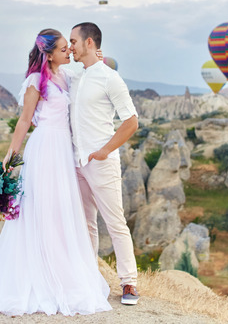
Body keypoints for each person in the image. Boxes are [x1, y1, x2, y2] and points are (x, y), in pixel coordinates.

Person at [0, 29, 112, 316]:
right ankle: (39, 272)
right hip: (45, 147)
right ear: (48, 54)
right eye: (62, 49)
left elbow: (91, 81)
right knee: (41, 208)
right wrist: (10, 155)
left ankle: (60, 267)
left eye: (68, 47)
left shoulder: (67, 76)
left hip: (63, 148)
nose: (68, 52)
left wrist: (98, 59)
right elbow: (24, 121)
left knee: (61, 210)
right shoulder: (36, 81)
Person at [68, 22, 140, 305]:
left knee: (115, 222)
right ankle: (89, 277)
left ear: (88, 42)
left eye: (73, 41)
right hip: (76, 163)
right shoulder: (75, 77)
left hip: (101, 162)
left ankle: (129, 283)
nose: (70, 46)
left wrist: (105, 150)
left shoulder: (110, 78)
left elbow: (131, 121)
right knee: (85, 223)